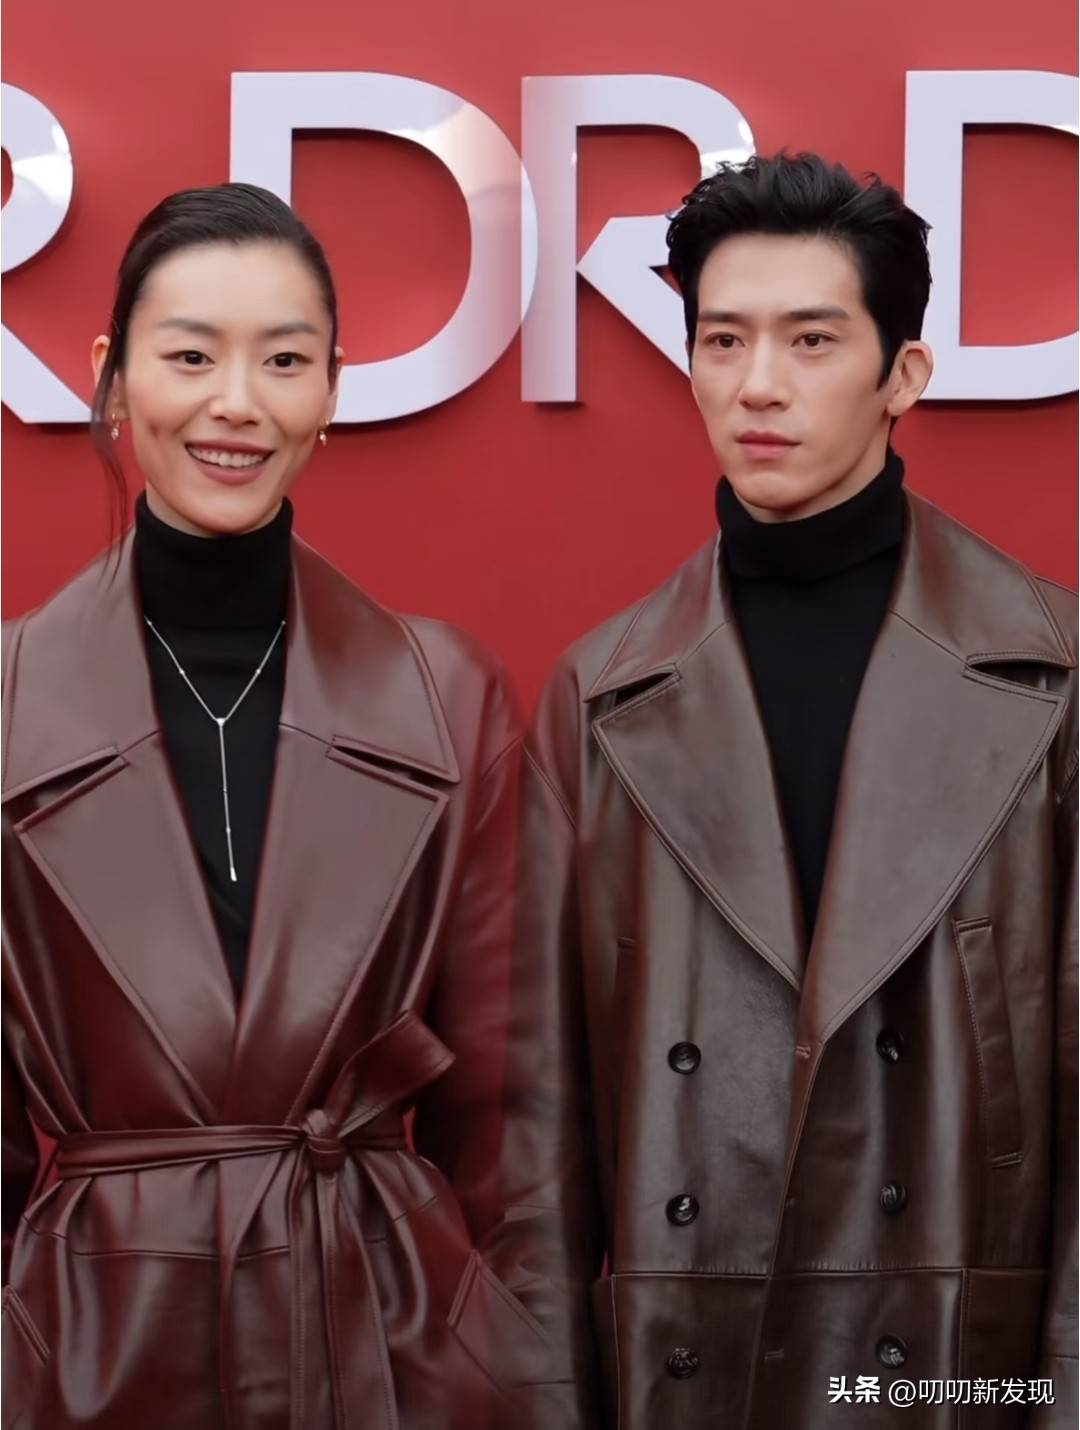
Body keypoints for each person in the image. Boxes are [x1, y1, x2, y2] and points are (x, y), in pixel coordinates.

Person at [504, 152, 1077, 1428]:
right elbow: (539, 1138)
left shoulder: (1053, 674)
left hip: (952, 1370)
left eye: (812, 339)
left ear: (903, 375)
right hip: (685, 1364)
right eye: (723, 339)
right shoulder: (601, 692)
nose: (757, 383)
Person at [1, 183, 550, 1429]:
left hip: (391, 1347)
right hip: (87, 1358)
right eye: (191, 355)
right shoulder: (10, 700)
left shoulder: (447, 693)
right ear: (111, 376)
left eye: (286, 360)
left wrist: (514, 1359)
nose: (237, 402)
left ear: (333, 392)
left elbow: (513, 1113)